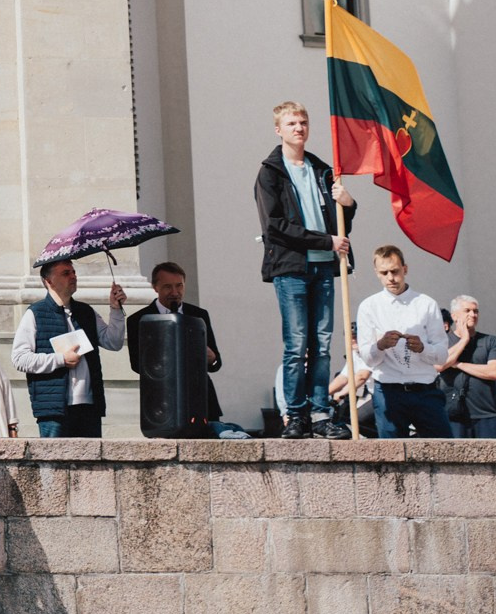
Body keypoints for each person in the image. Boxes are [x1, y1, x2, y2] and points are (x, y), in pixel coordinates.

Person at [253, 100, 356, 439]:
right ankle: (295, 415)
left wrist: (349, 205)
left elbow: (339, 226)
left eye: (303, 122)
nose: (299, 128)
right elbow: (275, 226)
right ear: (278, 129)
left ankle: (321, 413)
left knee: (323, 344)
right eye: (292, 123)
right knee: (297, 344)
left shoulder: (322, 170)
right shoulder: (271, 172)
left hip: (323, 268)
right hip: (292, 268)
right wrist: (326, 242)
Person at [10, 260, 127, 438]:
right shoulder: (35, 313)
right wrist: (61, 359)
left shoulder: (85, 311)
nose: (73, 276)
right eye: (65, 273)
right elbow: (19, 358)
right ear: (48, 281)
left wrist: (116, 309)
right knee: (54, 464)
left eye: (73, 272)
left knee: (91, 465)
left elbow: (113, 342)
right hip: (54, 410)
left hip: (89, 407)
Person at [354, 246, 452, 438]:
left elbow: (442, 355)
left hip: (425, 389)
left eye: (395, 271)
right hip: (389, 390)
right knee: (392, 455)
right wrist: (380, 345)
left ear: (405, 269)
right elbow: (367, 358)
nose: (390, 278)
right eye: (384, 273)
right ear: (377, 274)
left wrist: (423, 348)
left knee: (443, 448)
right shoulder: (368, 307)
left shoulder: (426, 304)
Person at [125, 262, 232, 429]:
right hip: (162, 402)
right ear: (155, 287)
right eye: (167, 287)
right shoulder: (139, 319)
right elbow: (137, 365)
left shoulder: (199, 315)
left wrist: (212, 359)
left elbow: (216, 364)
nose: (175, 293)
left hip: (200, 398)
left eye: (179, 286)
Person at [439, 296, 496, 438]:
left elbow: (495, 372)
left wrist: (459, 364)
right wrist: (464, 340)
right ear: (454, 316)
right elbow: (439, 365)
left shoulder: (490, 341)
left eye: (475, 311)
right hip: (453, 415)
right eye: (467, 310)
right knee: (452, 459)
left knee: (492, 459)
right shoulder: (443, 341)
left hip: (486, 415)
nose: (472, 315)